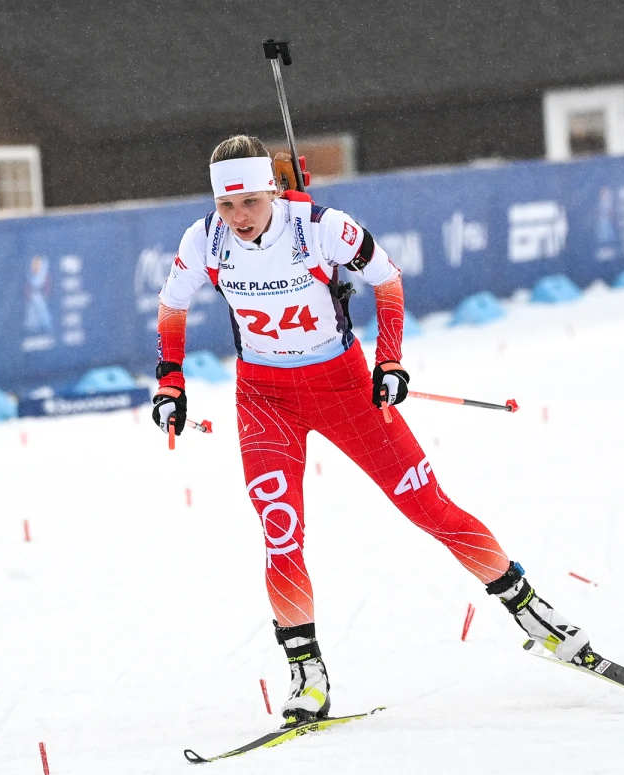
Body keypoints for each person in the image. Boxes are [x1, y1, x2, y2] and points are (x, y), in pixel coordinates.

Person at [153, 135, 592, 727]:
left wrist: (390, 361)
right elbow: (172, 307)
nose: (239, 218)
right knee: (280, 530)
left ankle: (530, 611)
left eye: (251, 202)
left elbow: (387, 281)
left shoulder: (321, 227)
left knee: (428, 507)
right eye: (227, 206)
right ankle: (307, 674)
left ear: (274, 189)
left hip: (344, 388)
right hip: (264, 398)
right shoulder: (202, 240)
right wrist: (171, 381)